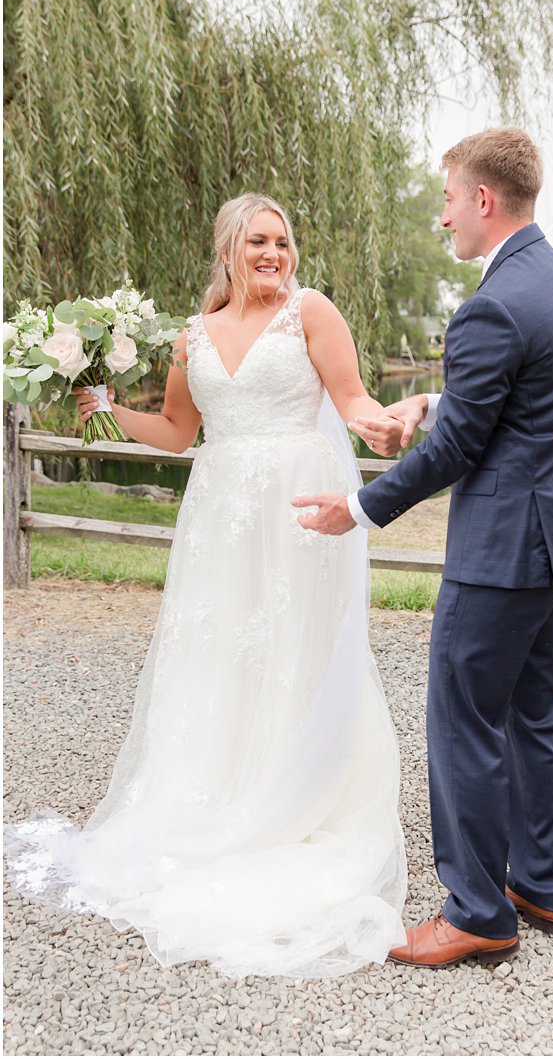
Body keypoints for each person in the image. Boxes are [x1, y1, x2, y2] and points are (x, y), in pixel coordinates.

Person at [4, 193, 410, 978]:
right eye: (258, 240)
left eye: (283, 241)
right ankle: (217, 788)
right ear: (228, 248)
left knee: (294, 644)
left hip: (297, 503)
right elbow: (177, 432)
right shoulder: (191, 338)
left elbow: (352, 397)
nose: (274, 253)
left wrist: (375, 423)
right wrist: (106, 409)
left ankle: (297, 789)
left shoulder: (311, 311)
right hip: (221, 510)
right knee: (222, 648)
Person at [295, 126, 553, 968]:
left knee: (463, 717)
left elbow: (459, 452)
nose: (442, 220)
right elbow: (523, 404)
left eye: (446, 199)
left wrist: (360, 506)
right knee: (537, 713)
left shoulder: (492, 303)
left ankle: (477, 910)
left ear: (481, 198)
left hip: (503, 555)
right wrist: (437, 398)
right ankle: (543, 882)